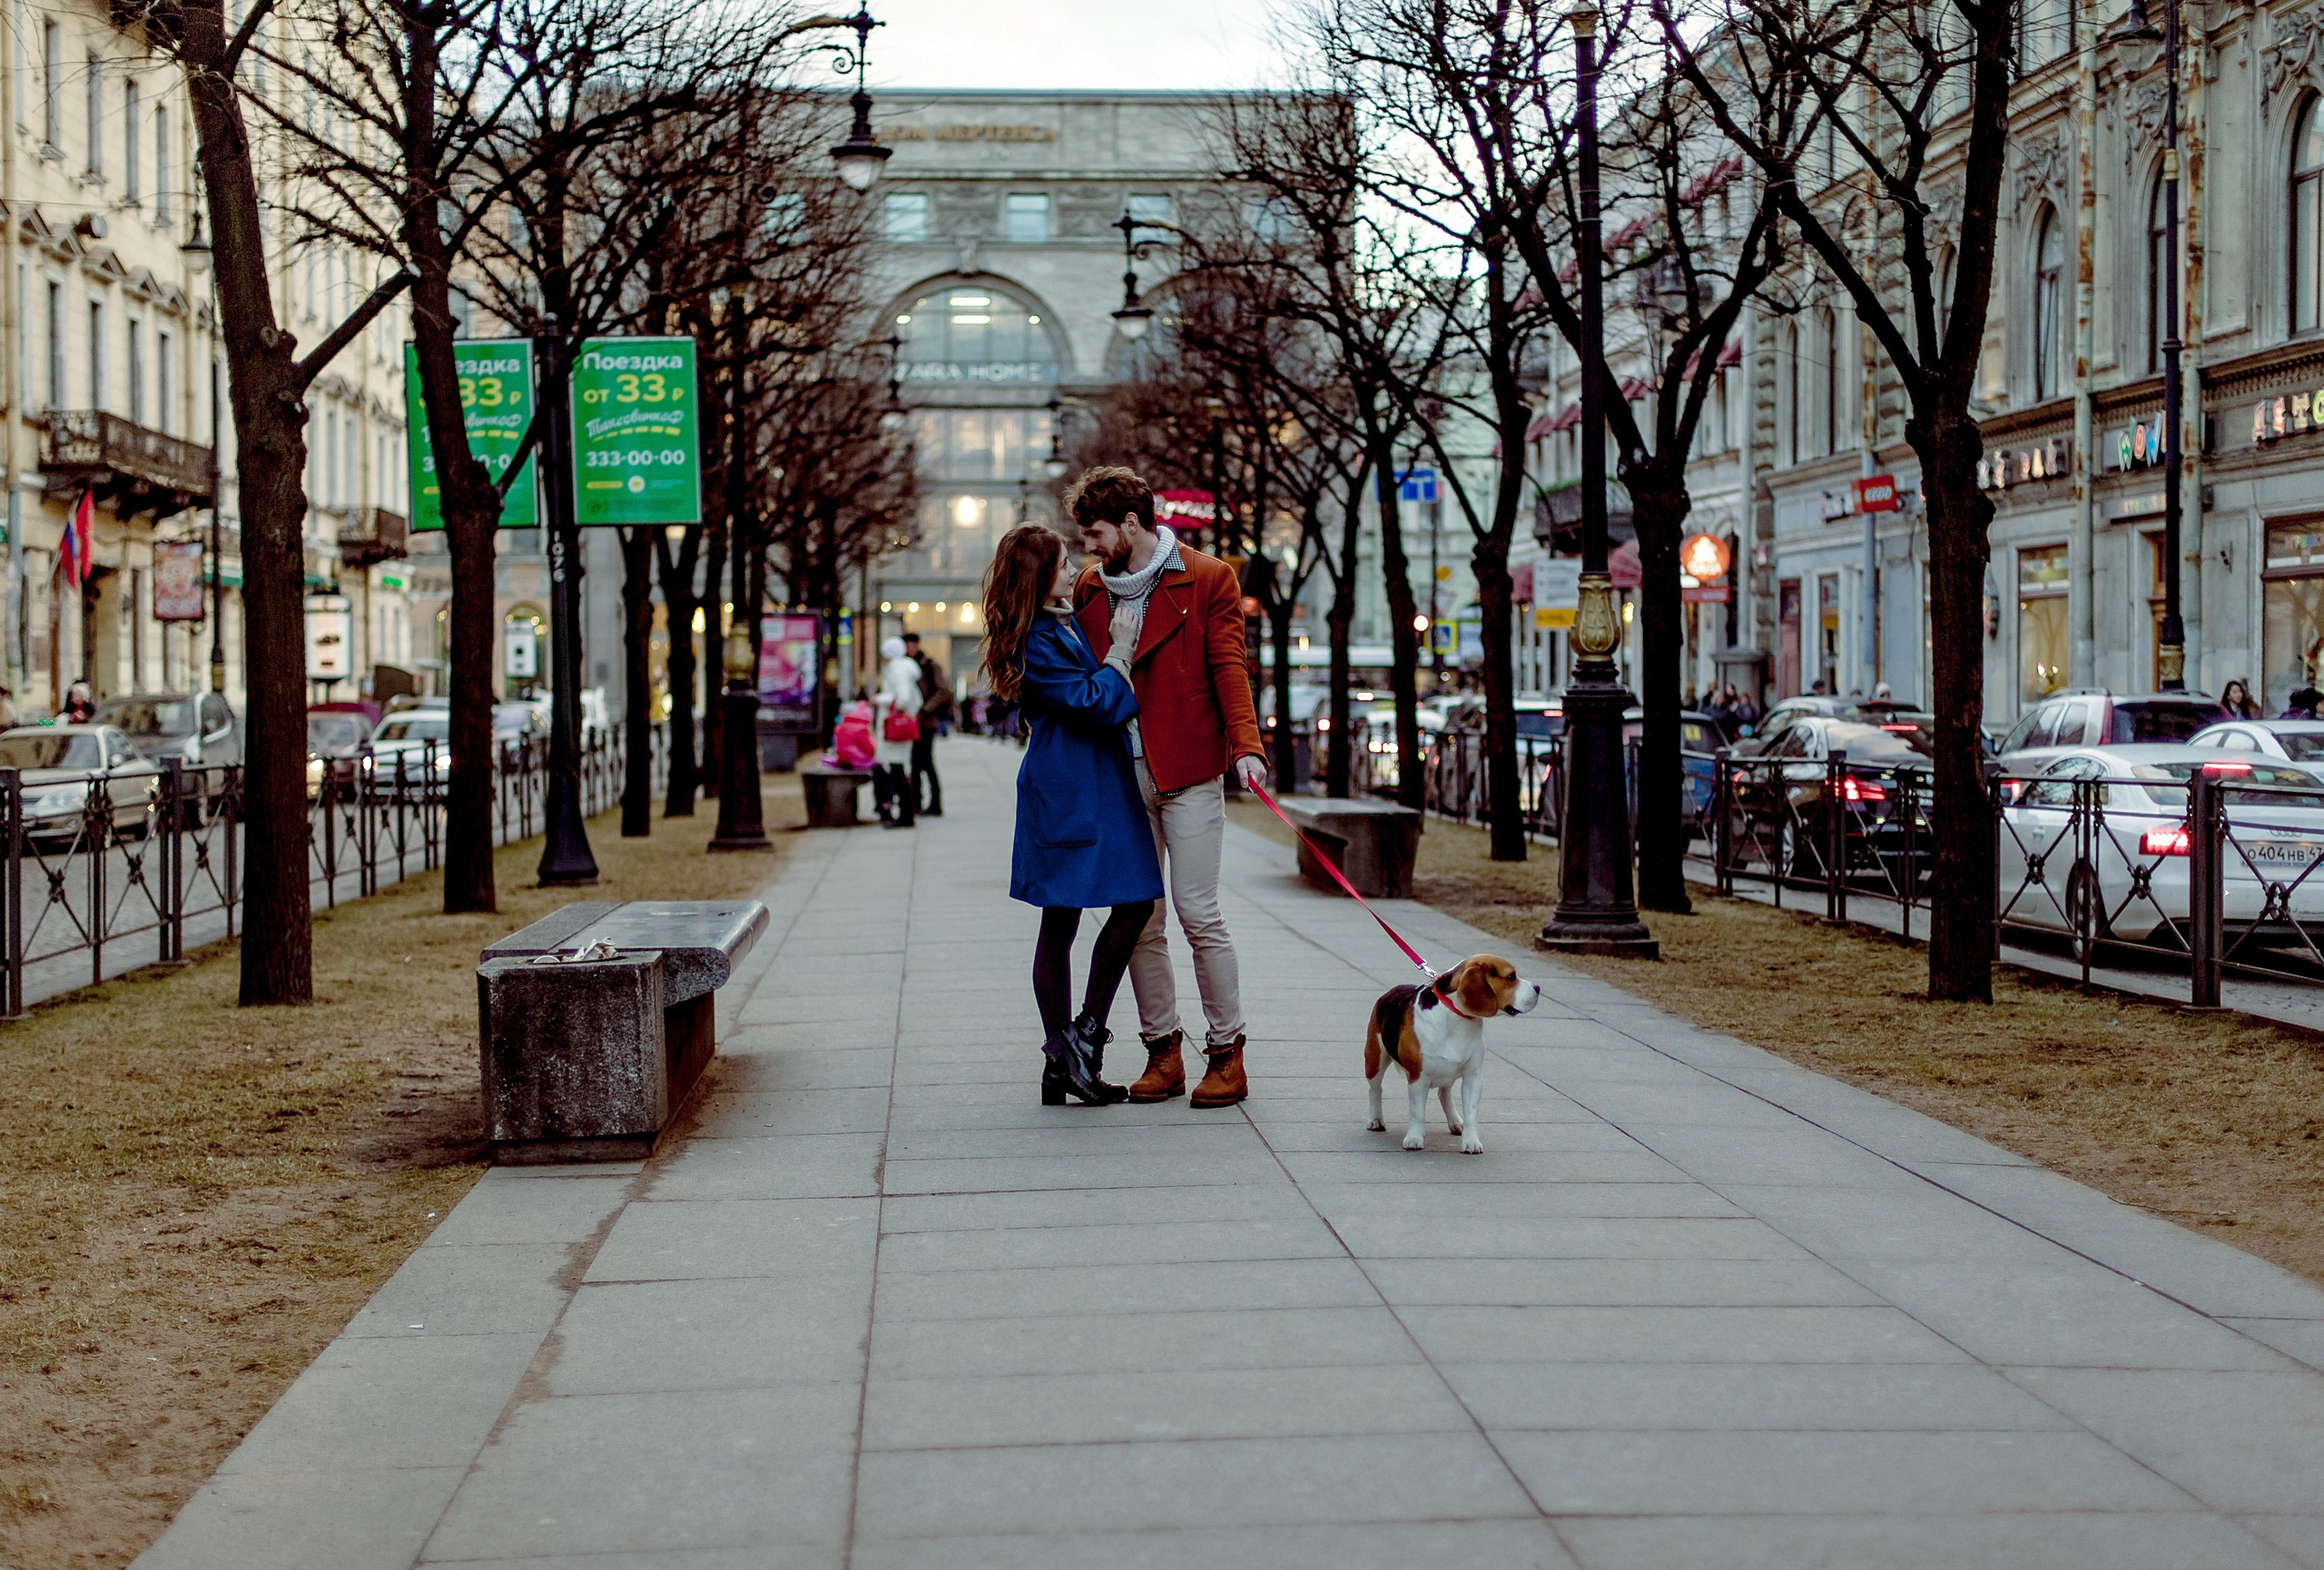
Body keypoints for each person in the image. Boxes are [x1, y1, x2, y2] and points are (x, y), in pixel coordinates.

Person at [1070, 466, 1266, 1109]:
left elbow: (1229, 666)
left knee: (1197, 911)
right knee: (1141, 918)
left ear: (1131, 523)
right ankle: (1163, 1050)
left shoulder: (1208, 578)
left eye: (1097, 533)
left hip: (1187, 770)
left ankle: (1227, 1051)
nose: (1090, 547)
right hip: (1121, 777)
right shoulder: (1089, 589)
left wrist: (1247, 746)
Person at [983, 523, 1163, 1107]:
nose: (1072, 570)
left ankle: (1068, 1054)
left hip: (1085, 781)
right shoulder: (1038, 637)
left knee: (1101, 909)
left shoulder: (1055, 624)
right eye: (1062, 564)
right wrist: (1120, 652)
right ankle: (1074, 1045)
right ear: (1039, 578)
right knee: (1082, 913)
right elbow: (1093, 704)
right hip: (1071, 784)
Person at [872, 637, 921, 829]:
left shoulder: (897, 670)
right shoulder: (904, 667)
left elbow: (903, 697)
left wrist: (881, 700)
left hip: (894, 730)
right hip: (898, 730)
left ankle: (905, 815)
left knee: (898, 770)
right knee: (899, 769)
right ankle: (905, 813)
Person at [902, 631, 950, 817]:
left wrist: (926, 709)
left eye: (911, 644)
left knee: (926, 761)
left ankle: (935, 802)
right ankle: (916, 801)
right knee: (914, 763)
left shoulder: (930, 665)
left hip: (926, 721)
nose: (909, 648)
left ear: (917, 645)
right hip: (911, 722)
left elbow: (943, 691)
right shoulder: (906, 665)